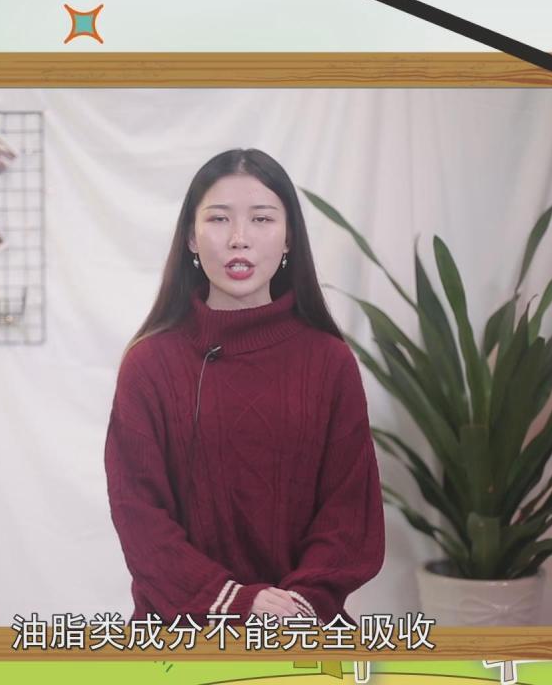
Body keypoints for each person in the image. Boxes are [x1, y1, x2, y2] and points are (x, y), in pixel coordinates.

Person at [104, 148, 384, 626]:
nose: (239, 239)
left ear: (289, 236)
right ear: (191, 238)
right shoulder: (148, 364)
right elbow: (139, 515)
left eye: (261, 219)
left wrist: (294, 606)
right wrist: (235, 600)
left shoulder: (329, 362)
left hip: (301, 629)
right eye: (218, 219)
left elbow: (349, 512)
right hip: (179, 633)